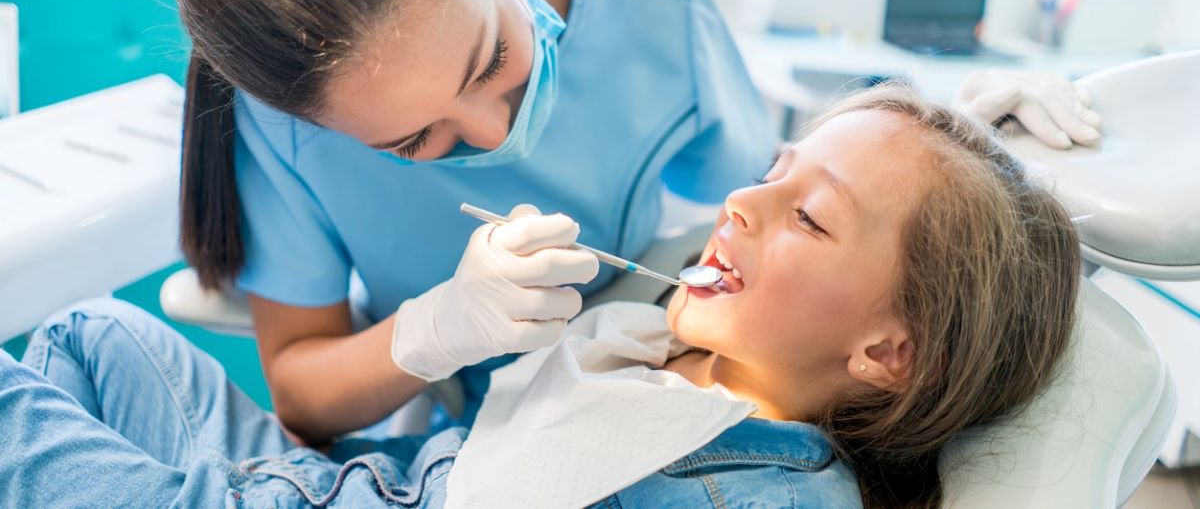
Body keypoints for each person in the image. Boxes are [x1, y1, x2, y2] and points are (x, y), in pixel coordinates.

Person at [170, 0, 1099, 444]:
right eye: (415, 139)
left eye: (493, 59)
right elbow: (301, 389)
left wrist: (976, 150)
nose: (492, 135)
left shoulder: (663, 26)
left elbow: (832, 228)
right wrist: (429, 332)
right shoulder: (279, 129)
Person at [0, 86, 1080, 508]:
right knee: (93, 333)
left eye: (808, 216)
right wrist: (954, 132)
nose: (746, 200)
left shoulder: (761, 496)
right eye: (776, 168)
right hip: (334, 481)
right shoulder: (666, 344)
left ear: (891, 355)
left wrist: (966, 207)